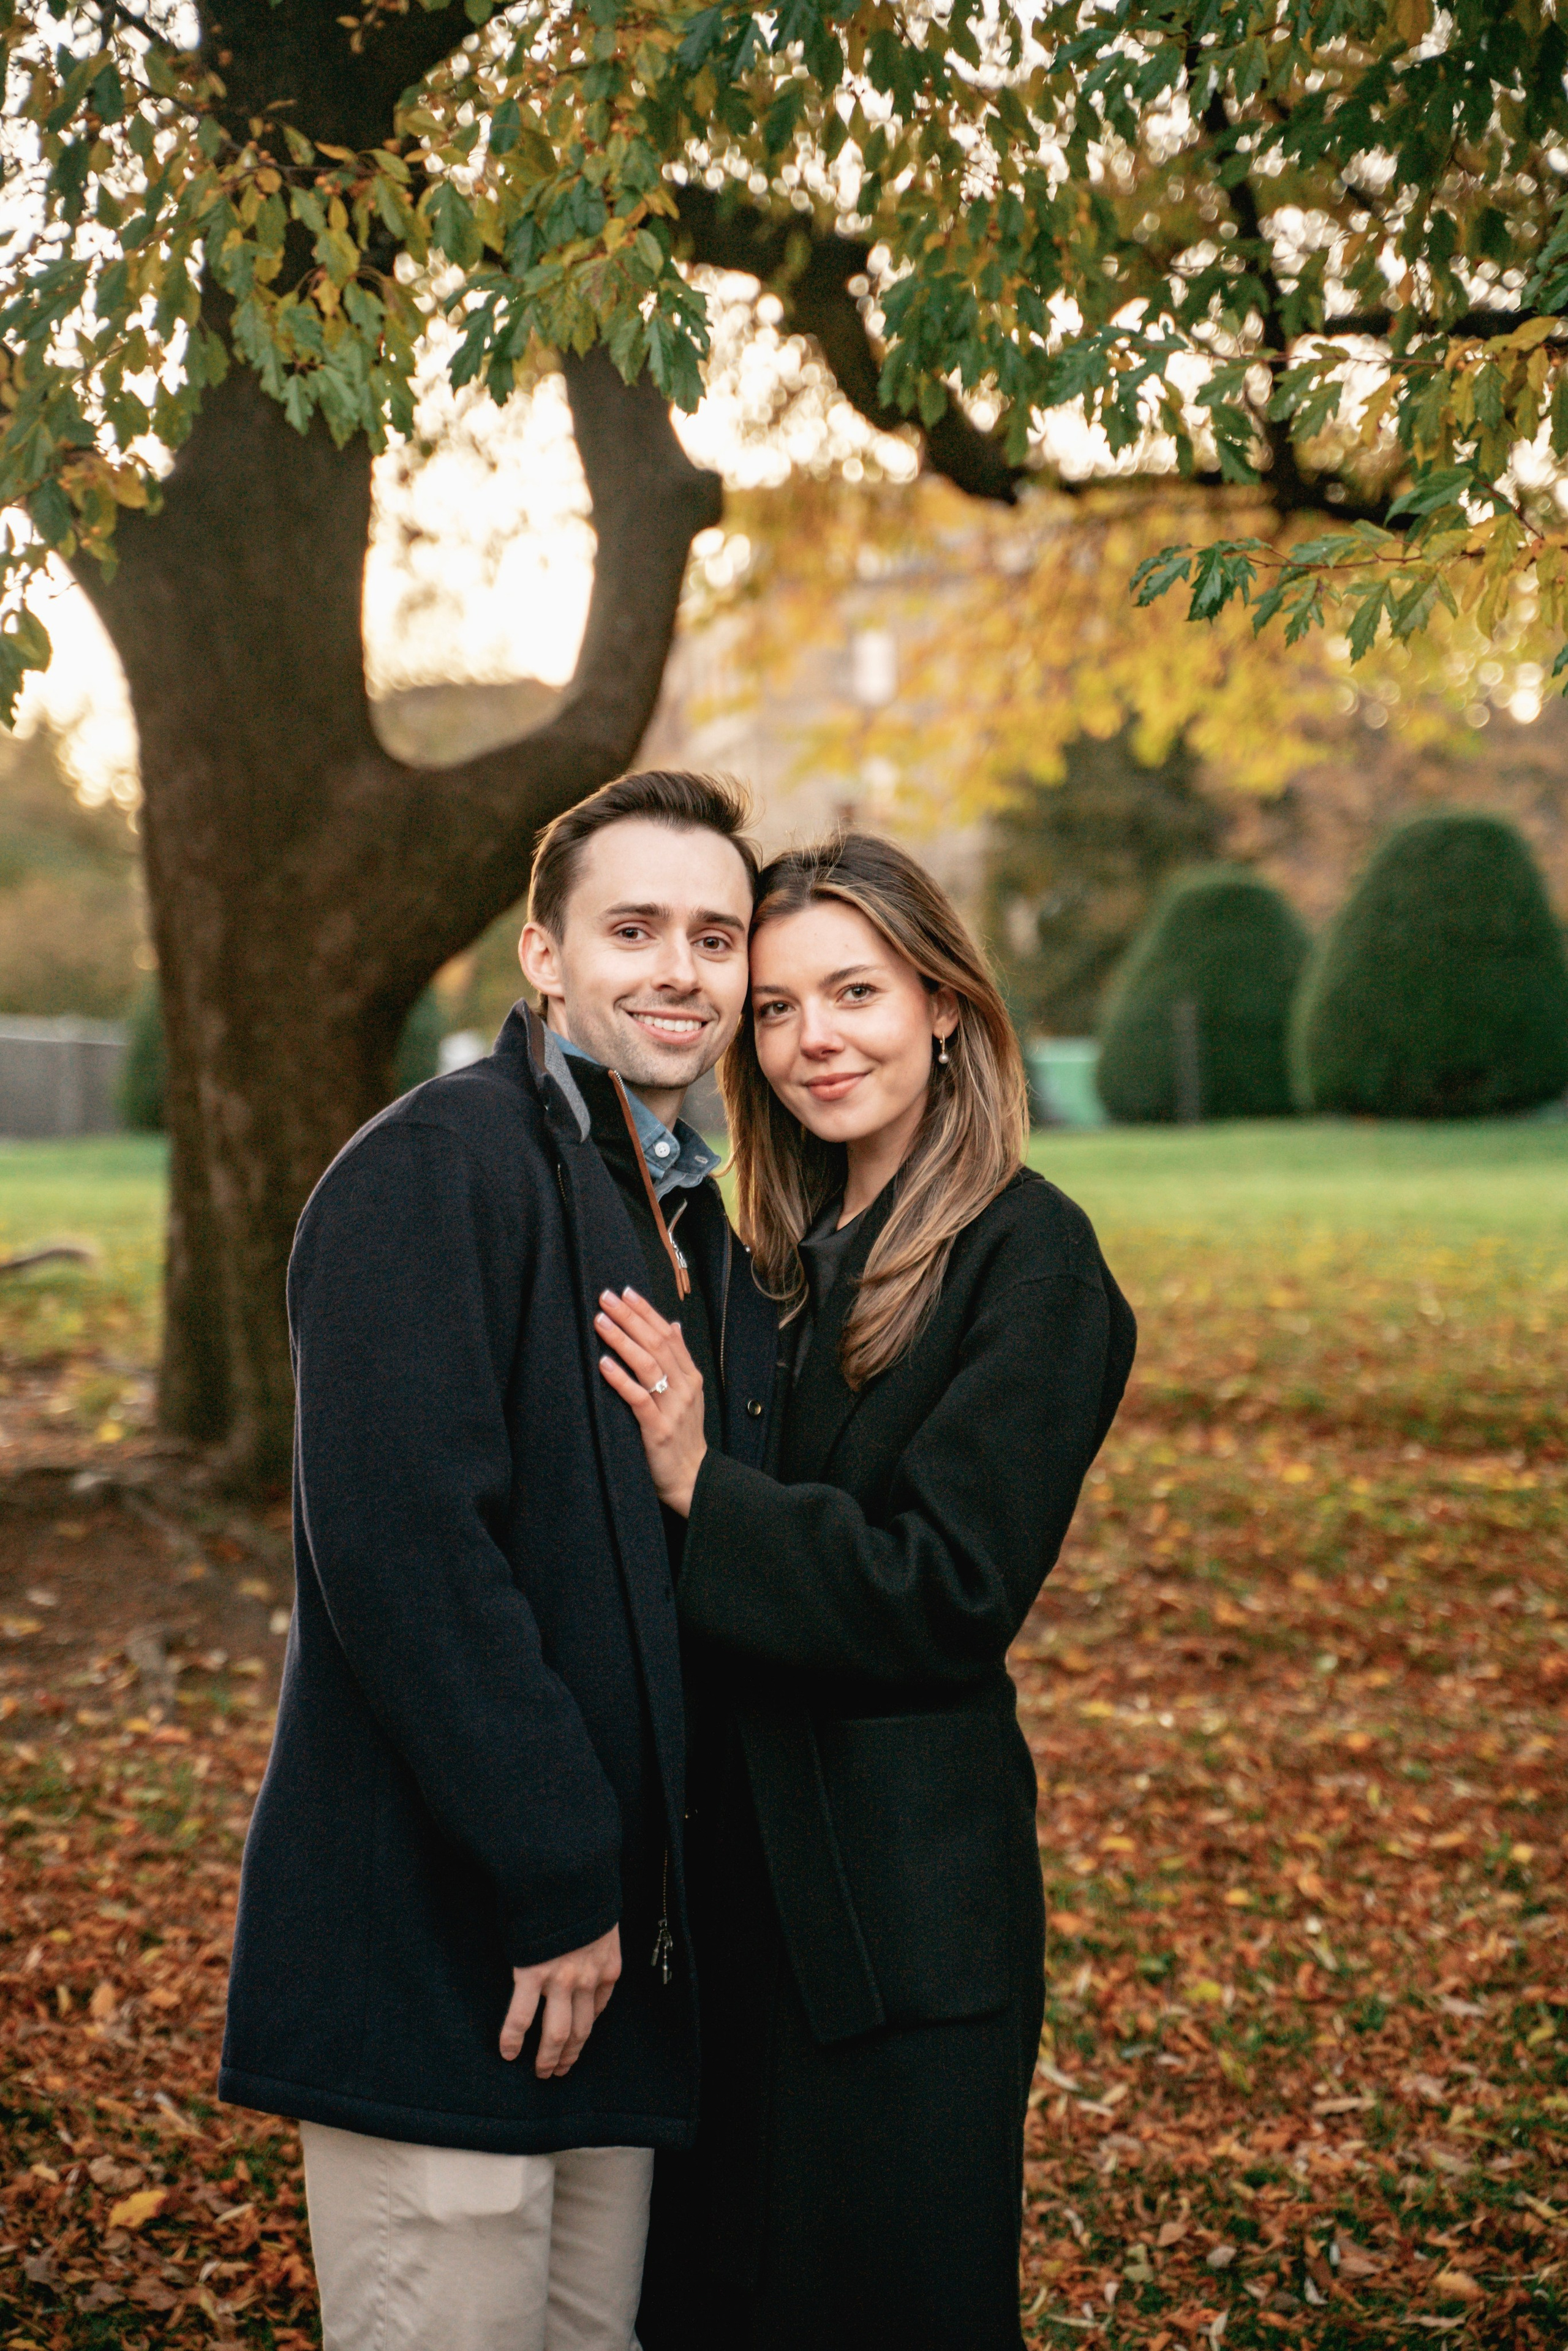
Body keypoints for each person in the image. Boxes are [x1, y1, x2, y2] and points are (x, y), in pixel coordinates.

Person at [220, 770, 780, 2351]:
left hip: (612, 1984)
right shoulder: (433, 1169)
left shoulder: (672, 1205)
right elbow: (409, 1560)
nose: (681, 969)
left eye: (715, 935)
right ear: (544, 954)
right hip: (457, 1955)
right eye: (633, 927)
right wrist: (557, 1872)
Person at [597, 832, 1137, 2351]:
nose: (812, 1039)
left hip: (896, 1929)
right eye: (773, 1008)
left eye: (855, 992)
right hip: (719, 1916)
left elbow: (944, 1589)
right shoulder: (757, 1258)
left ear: (944, 1004)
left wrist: (703, 1486)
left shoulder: (1029, 1260)